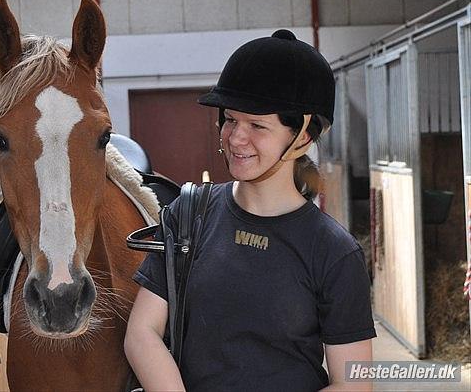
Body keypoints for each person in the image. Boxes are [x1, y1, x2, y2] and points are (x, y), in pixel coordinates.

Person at [124, 29, 375, 392]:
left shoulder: (334, 252)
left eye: (257, 125)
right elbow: (142, 333)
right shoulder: (189, 213)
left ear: (303, 135)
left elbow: (353, 386)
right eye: (230, 119)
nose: (236, 138)